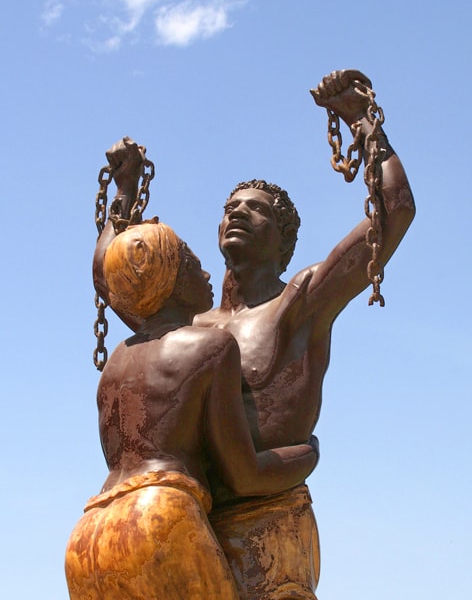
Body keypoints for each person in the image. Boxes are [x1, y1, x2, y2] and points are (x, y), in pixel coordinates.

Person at [94, 69, 415, 599]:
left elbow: (393, 213)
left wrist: (363, 124)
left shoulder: (301, 301)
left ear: (283, 241)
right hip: (189, 530)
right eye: (229, 209)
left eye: (256, 210)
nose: (237, 213)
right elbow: (116, 282)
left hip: (270, 526)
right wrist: (124, 196)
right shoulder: (188, 328)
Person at [67, 221, 318, 600]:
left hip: (88, 536)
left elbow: (110, 274)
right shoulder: (211, 346)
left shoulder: (116, 362)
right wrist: (305, 455)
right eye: (192, 265)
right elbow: (244, 476)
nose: (206, 274)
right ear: (172, 279)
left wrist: (123, 193)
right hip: (160, 515)